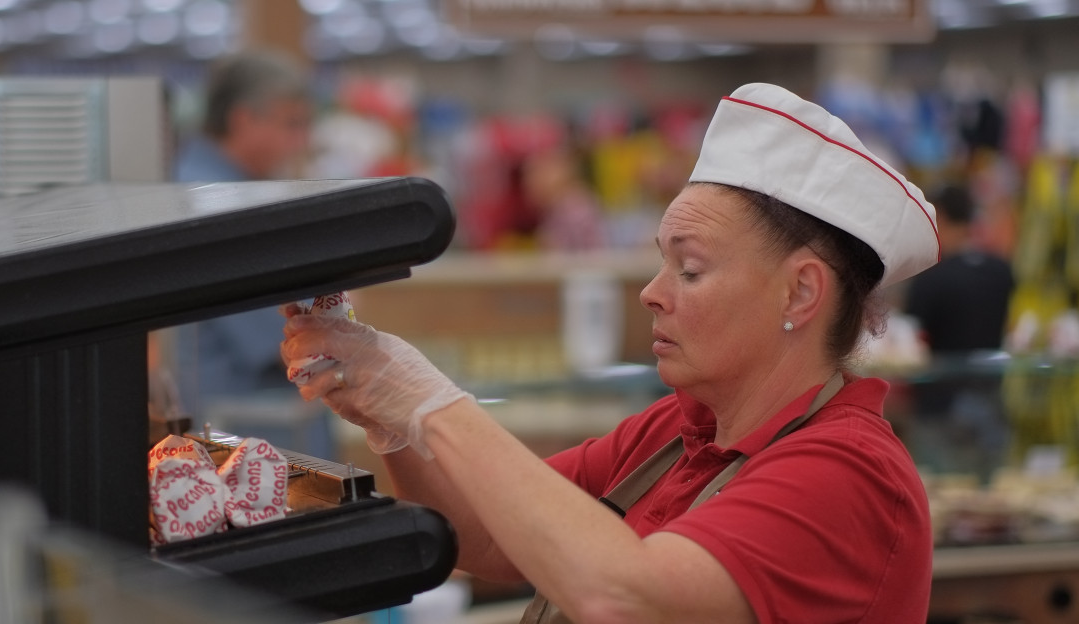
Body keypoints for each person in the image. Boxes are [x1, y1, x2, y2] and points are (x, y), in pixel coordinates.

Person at [281, 84, 938, 623]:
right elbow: (483, 535)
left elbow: (625, 596)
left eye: (690, 270)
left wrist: (433, 404)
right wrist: (392, 424)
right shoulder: (674, 435)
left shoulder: (850, 474)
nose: (652, 294)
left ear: (800, 293)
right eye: (661, 263)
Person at [172, 51, 312, 418]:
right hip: (242, 427)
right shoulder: (217, 201)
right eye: (291, 124)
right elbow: (296, 335)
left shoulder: (206, 185)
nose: (299, 141)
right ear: (244, 119)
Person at [906, 184, 1014, 354]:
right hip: (993, 378)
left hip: (942, 379)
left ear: (939, 217)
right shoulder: (1001, 270)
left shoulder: (931, 279)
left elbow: (912, 338)